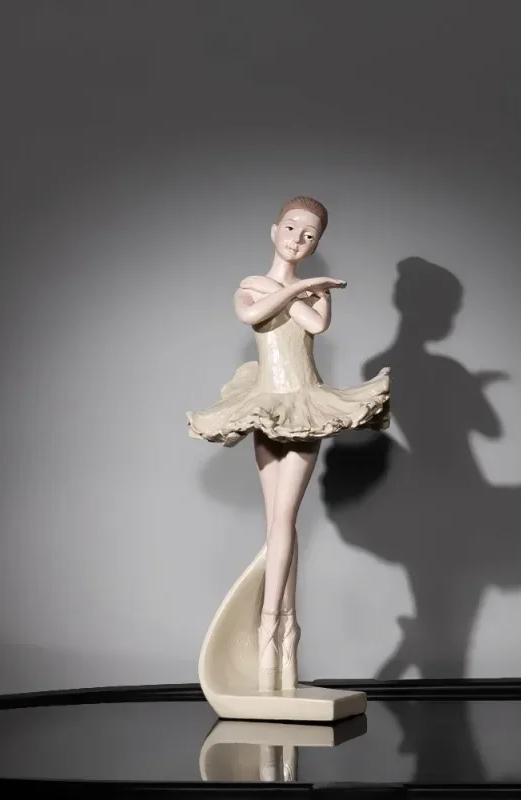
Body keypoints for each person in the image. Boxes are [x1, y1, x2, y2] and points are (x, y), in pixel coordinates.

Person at [187, 196, 391, 691]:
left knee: (283, 521)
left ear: (316, 244)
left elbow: (316, 325)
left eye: (310, 235)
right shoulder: (254, 285)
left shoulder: (312, 295)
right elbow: (252, 313)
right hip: (265, 404)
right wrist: (302, 286)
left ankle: (270, 631)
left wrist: (302, 291)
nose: (298, 239)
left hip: (303, 405)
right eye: (293, 228)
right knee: (279, 525)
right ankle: (286, 633)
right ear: (274, 229)